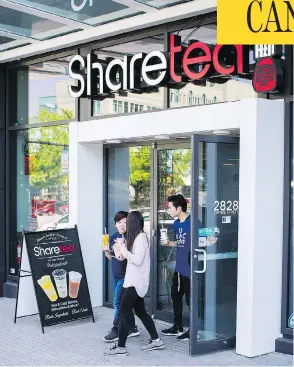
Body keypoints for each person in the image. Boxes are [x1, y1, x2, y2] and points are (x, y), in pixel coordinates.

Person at [104, 211, 164, 356]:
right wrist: (120, 248)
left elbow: (137, 260)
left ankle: (121, 347)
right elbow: (124, 257)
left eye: (127, 221)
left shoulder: (141, 238)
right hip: (133, 281)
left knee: (124, 313)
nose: (125, 224)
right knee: (141, 312)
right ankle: (156, 340)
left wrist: (124, 249)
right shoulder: (136, 238)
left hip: (135, 283)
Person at [160, 194, 194, 341]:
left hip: (190, 268)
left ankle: (194, 330)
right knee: (175, 296)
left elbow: (204, 241)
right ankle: (178, 326)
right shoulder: (176, 224)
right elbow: (179, 243)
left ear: (179, 208)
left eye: (170, 207)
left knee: (191, 300)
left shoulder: (192, 222)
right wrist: (169, 243)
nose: (169, 210)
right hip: (179, 267)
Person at [102, 211, 139, 342]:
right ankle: (132, 328)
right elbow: (110, 256)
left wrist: (123, 247)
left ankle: (116, 328)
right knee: (126, 303)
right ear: (115, 224)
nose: (122, 225)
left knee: (117, 303)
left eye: (125, 222)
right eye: (119, 222)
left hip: (126, 275)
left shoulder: (132, 238)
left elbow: (129, 257)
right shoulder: (113, 237)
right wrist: (106, 249)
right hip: (116, 274)